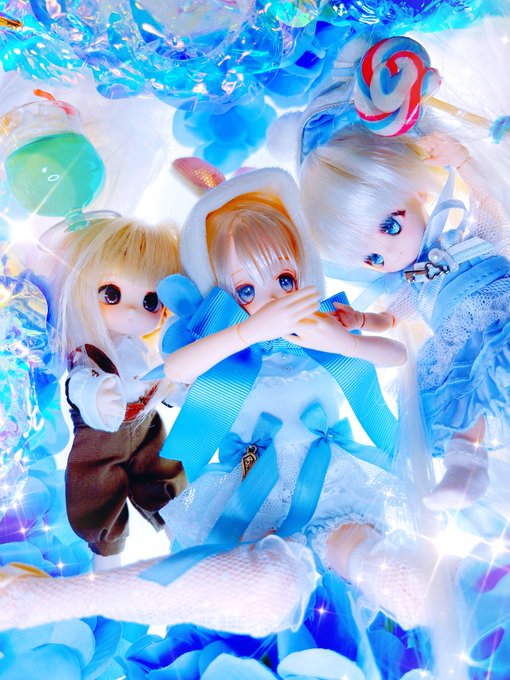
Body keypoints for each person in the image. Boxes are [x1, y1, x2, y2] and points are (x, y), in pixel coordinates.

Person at [0, 169, 433, 636]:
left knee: (377, 561)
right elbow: (176, 368)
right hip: (250, 481)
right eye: (246, 290)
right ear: (221, 294)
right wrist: (247, 331)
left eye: (285, 279)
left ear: (304, 270)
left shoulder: (323, 332)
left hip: (332, 484)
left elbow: (396, 354)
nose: (270, 299)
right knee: (268, 580)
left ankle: (431, 607)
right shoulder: (227, 357)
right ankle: (54, 599)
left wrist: (342, 341)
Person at [300, 127, 510, 511]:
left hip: (501, 312)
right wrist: (361, 319)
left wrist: (461, 159)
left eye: (390, 226)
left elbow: (489, 201)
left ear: (417, 193)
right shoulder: (412, 286)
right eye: (373, 259)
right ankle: (466, 464)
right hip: (462, 343)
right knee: (461, 393)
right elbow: (391, 319)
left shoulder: (466, 237)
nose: (391, 254)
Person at [42, 215, 187, 569]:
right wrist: (96, 395)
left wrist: (175, 387)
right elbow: (79, 383)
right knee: (98, 493)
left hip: (146, 422)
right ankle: (108, 565)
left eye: (151, 301)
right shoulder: (87, 350)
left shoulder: (143, 346)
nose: (133, 313)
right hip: (101, 435)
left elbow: (157, 376)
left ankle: (184, 538)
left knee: (164, 473)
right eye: (112, 294)